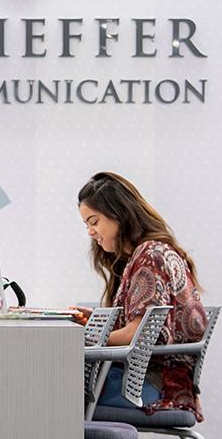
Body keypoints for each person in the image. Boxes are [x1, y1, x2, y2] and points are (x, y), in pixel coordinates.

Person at [71, 172, 207, 419]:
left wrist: (79, 337)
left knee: (46, 388)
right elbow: (141, 327)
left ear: (119, 215)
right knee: (48, 385)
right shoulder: (151, 253)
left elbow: (137, 335)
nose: (90, 232)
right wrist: (97, 322)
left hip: (148, 388)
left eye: (94, 221)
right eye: (86, 225)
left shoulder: (150, 257)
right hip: (158, 384)